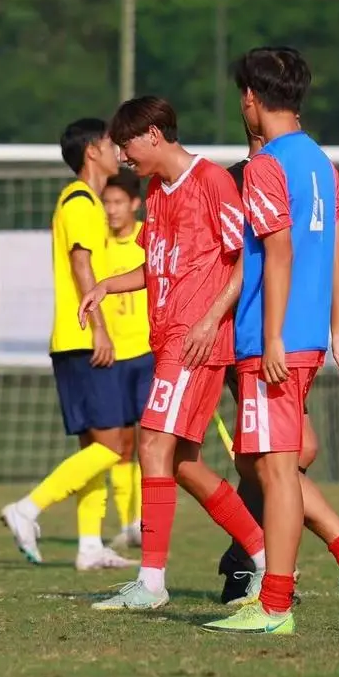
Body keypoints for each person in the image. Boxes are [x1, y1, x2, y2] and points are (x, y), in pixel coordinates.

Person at [79, 96, 266, 611]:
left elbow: (245, 261)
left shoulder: (212, 182)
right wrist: (107, 286)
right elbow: (156, 266)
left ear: (155, 135)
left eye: (128, 145)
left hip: (195, 341)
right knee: (182, 463)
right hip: (169, 339)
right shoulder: (157, 191)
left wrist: (209, 319)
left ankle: (152, 581)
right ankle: (264, 554)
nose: (123, 157)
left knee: (152, 443)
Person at [204, 47, 339, 634]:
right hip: (306, 335)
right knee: (267, 464)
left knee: (279, 471)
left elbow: (280, 251)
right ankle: (289, 587)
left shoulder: (266, 166)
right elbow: (337, 244)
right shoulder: (321, 162)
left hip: (275, 340)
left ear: (250, 98)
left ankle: (275, 605)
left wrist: (270, 339)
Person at [0, 119, 133, 571]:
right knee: (112, 445)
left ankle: (90, 545)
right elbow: (81, 266)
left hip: (76, 339)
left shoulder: (86, 201)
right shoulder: (80, 201)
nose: (118, 152)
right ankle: (28, 508)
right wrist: (100, 329)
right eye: (112, 144)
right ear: (93, 150)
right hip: (82, 339)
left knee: (94, 447)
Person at [99, 168, 153, 551]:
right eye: (107, 203)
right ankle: (127, 521)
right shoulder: (98, 243)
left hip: (148, 353)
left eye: (118, 202)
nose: (111, 210)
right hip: (113, 356)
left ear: (134, 203)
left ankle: (146, 519)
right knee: (119, 443)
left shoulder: (147, 237)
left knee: (149, 440)